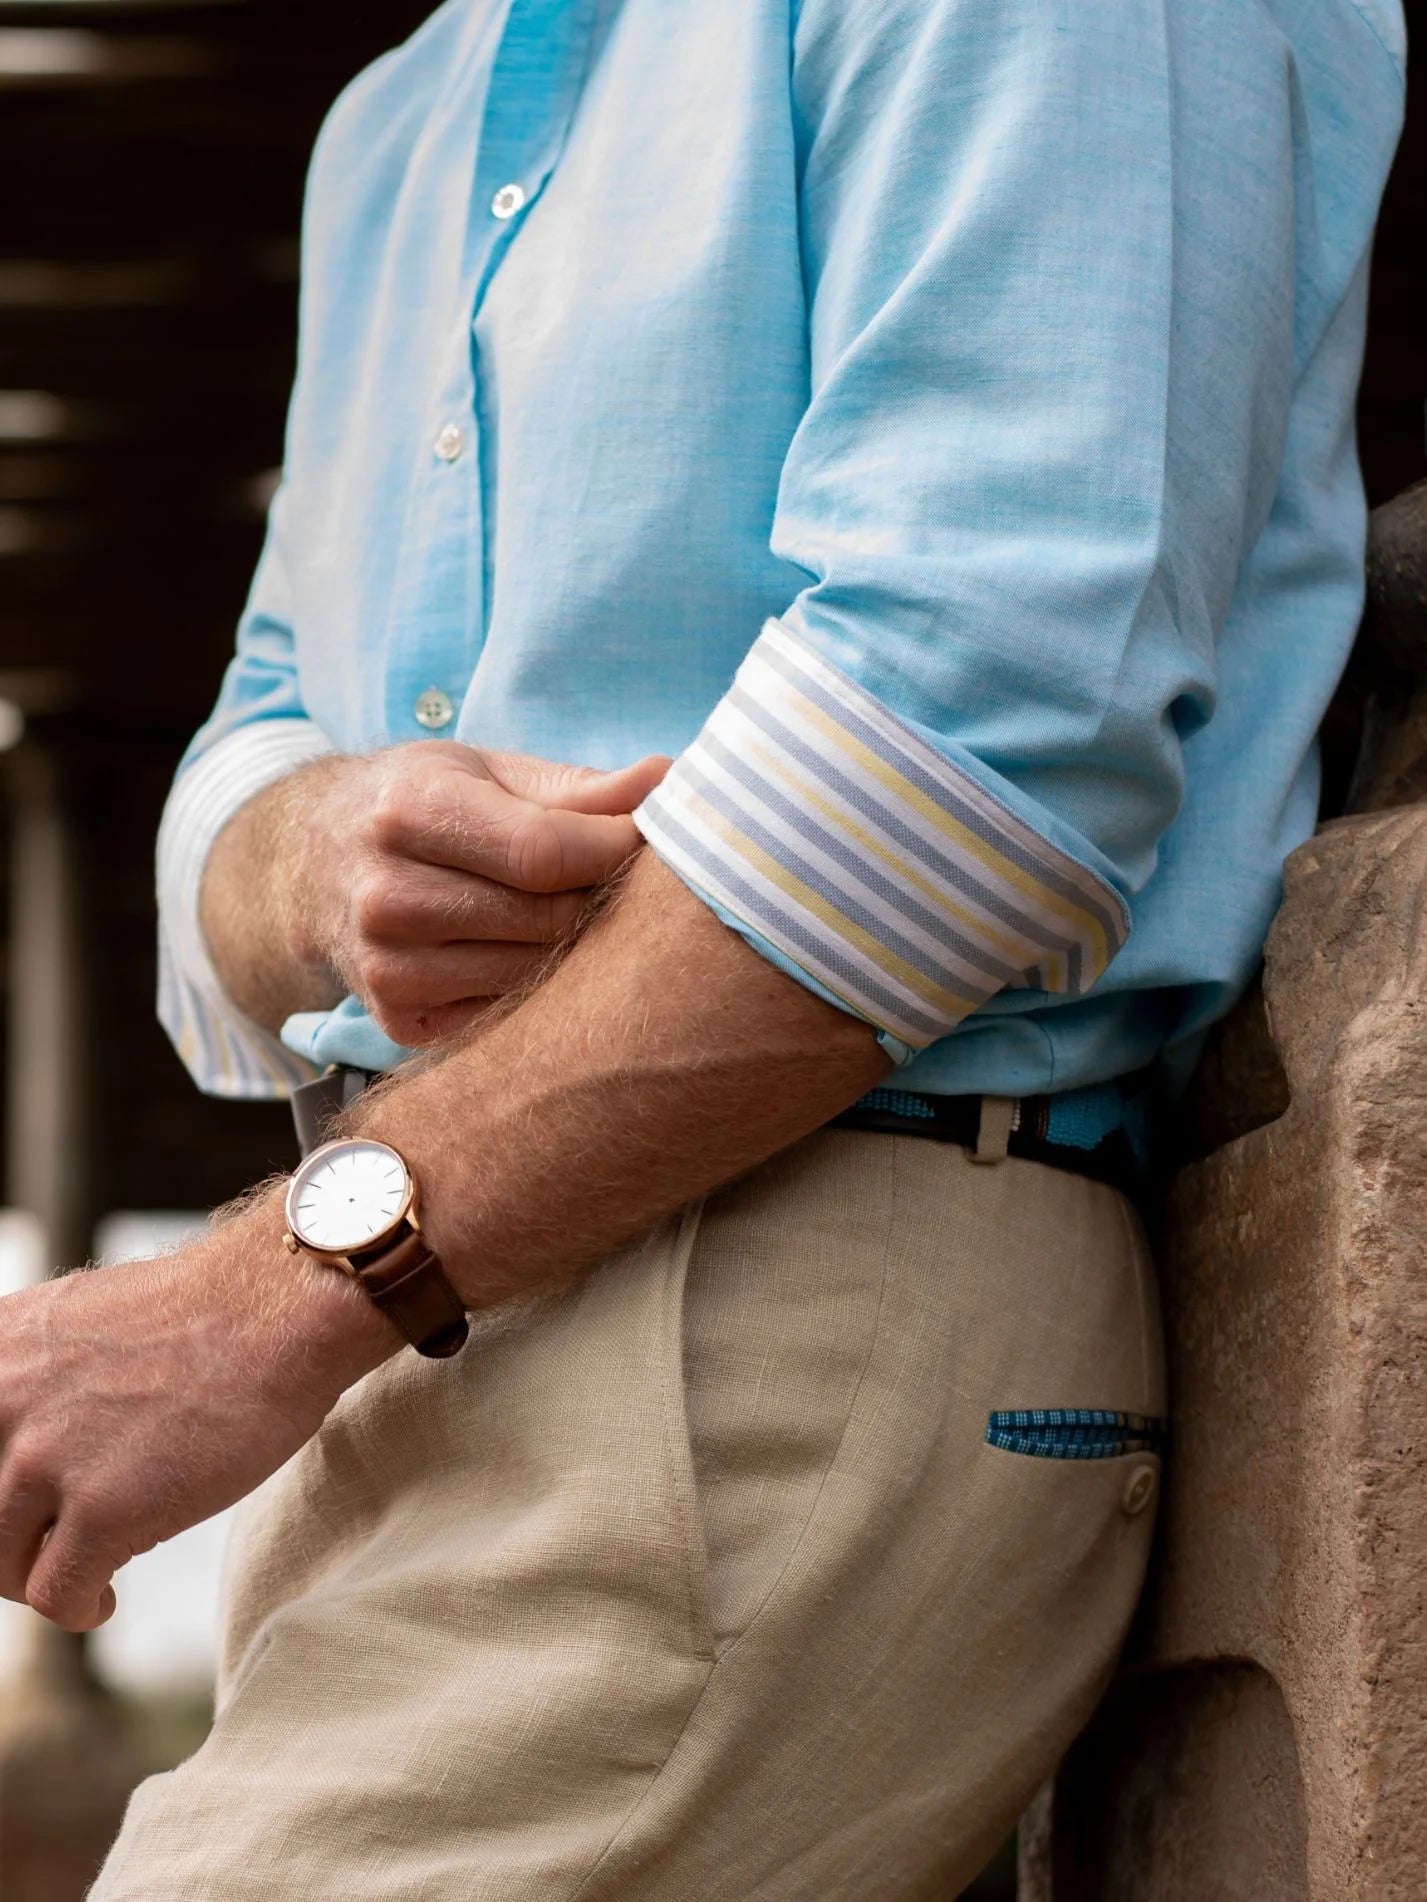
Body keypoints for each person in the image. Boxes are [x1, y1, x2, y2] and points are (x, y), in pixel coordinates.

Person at [0, 1, 1404, 1895]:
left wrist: (256, 1302)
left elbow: (980, 729)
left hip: (767, 1300)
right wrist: (318, 851)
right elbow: (239, 764)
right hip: (435, 1333)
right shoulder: (398, 118)